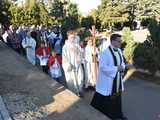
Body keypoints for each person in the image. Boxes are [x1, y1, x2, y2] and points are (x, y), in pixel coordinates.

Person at [91, 34, 127, 120]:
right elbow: (102, 67)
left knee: (117, 98)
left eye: (120, 41)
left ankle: (118, 114)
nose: (120, 43)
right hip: (108, 80)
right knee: (107, 99)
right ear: (113, 41)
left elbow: (122, 62)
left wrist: (122, 67)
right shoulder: (105, 53)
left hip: (117, 79)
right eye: (119, 41)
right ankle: (109, 116)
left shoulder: (119, 51)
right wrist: (116, 68)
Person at [62, 30, 84, 96]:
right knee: (73, 80)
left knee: (80, 78)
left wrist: (80, 57)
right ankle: (75, 92)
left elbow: (81, 52)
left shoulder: (76, 45)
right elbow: (64, 58)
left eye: (74, 37)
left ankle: (80, 90)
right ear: (68, 37)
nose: (73, 39)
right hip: (71, 66)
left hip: (78, 65)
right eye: (71, 37)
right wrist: (68, 65)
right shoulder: (65, 47)